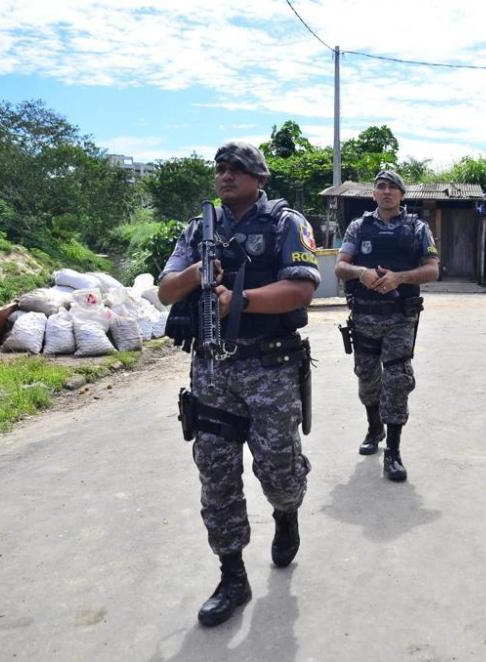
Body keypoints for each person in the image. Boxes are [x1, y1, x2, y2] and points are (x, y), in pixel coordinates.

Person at [158, 141, 318, 627]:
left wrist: (238, 301)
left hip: (269, 366)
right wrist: (193, 273)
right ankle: (232, 575)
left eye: (236, 169)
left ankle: (286, 512)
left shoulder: (286, 223)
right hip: (211, 371)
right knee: (215, 472)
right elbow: (165, 289)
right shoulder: (197, 230)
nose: (225, 176)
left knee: (279, 469)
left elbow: (302, 288)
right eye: (220, 169)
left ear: (260, 178)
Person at [334, 170, 439, 482]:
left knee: (396, 380)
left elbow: (433, 269)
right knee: (367, 377)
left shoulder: (417, 228)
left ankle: (393, 451)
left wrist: (400, 277)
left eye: (393, 187)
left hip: (400, 318)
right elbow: (340, 266)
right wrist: (361, 273)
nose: (387, 191)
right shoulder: (358, 226)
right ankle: (374, 427)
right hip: (364, 315)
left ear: (402, 195)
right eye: (381, 187)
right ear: (374, 194)